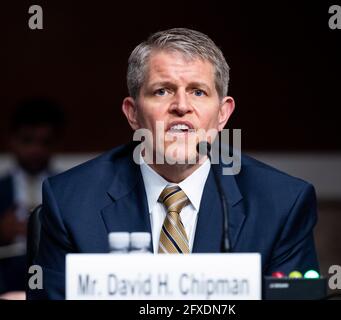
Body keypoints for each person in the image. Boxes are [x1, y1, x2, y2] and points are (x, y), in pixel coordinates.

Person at [27, 28, 319, 300]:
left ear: (222, 114)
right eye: (162, 91)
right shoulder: (71, 202)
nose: (181, 105)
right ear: (133, 113)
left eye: (198, 91)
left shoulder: (282, 204)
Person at [0, 98, 64, 298]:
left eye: (44, 142)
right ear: (12, 140)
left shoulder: (68, 189)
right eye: (27, 140)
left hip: (52, 280)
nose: (36, 150)